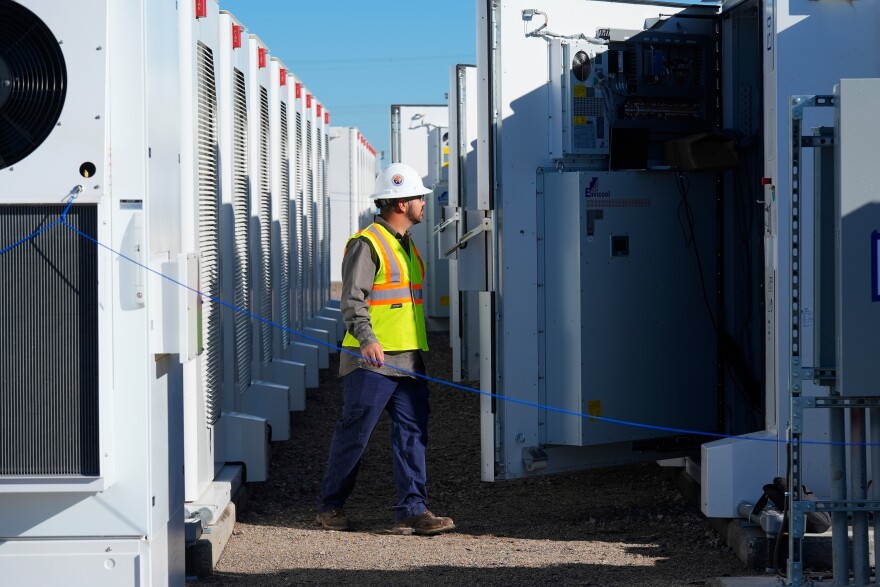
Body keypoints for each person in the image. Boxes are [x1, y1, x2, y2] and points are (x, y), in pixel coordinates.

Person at [315, 162, 455, 536]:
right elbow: (353, 299)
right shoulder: (368, 243)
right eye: (418, 198)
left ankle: (412, 510)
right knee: (354, 434)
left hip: (408, 359)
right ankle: (330, 508)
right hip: (372, 361)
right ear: (400, 203)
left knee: (412, 433)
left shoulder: (406, 246)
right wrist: (367, 339)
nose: (424, 203)